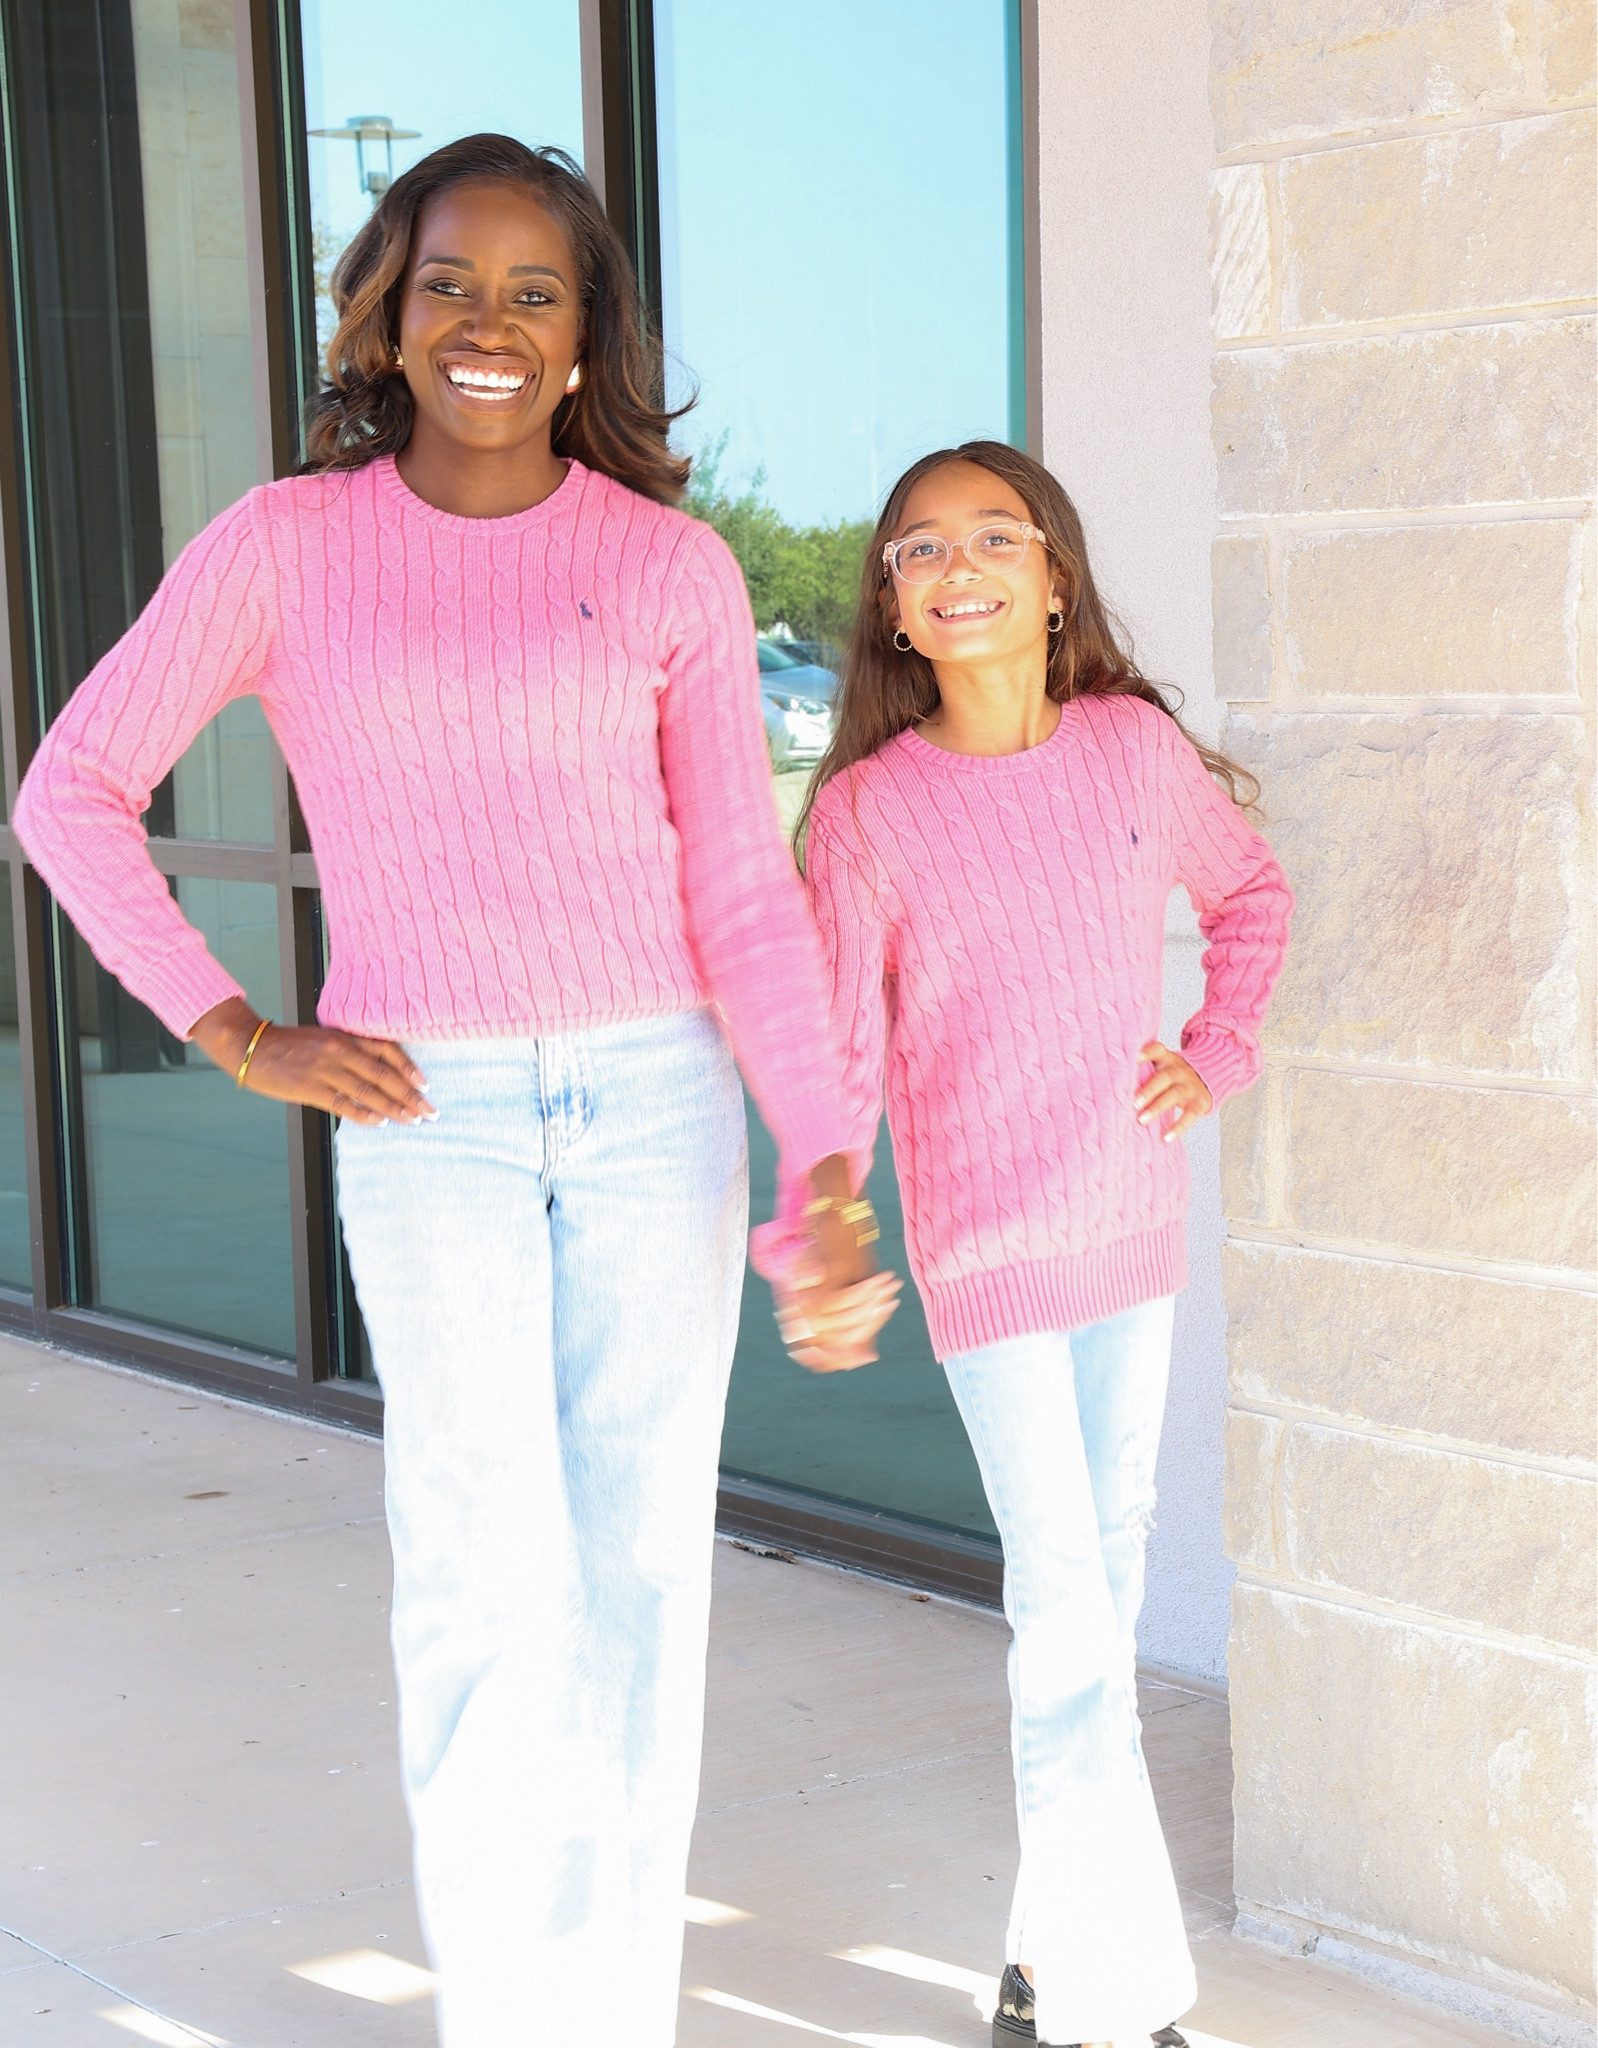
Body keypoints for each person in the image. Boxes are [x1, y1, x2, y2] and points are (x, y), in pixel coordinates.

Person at [13, 135, 897, 2045]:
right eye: (448, 283)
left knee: (641, 1569)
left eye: (534, 290)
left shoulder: (666, 564)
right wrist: (233, 1024)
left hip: (657, 1095)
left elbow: (738, 887)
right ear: (388, 314)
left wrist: (818, 1149)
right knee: (484, 1575)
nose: (487, 323)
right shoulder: (284, 546)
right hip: (430, 1117)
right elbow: (67, 791)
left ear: (586, 335)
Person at [773, 441, 1291, 2048]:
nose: (959, 565)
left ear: (1053, 576)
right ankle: (1113, 2012)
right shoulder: (863, 814)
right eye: (920, 550)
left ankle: (1032, 1970)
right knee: (1067, 1623)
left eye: (995, 536)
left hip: (1129, 1236)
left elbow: (1252, 897)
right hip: (987, 1259)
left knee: (1094, 1612)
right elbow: (831, 1058)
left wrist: (1212, 1054)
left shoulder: (1132, 756)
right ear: (894, 606)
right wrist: (822, 1225)